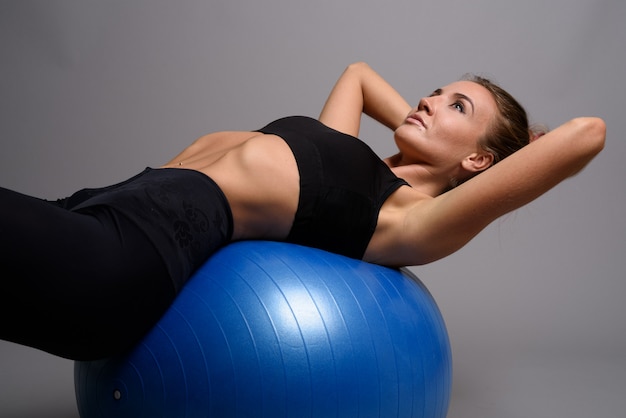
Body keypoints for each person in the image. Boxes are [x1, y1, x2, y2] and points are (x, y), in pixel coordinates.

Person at [0, 62, 605, 361]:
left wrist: (498, 156)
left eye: (456, 105)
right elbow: (360, 75)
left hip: (127, 254)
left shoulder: (404, 219)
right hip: (95, 210)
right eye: (436, 91)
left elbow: (587, 133)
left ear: (478, 162)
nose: (426, 99)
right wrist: (424, 127)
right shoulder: (345, 156)